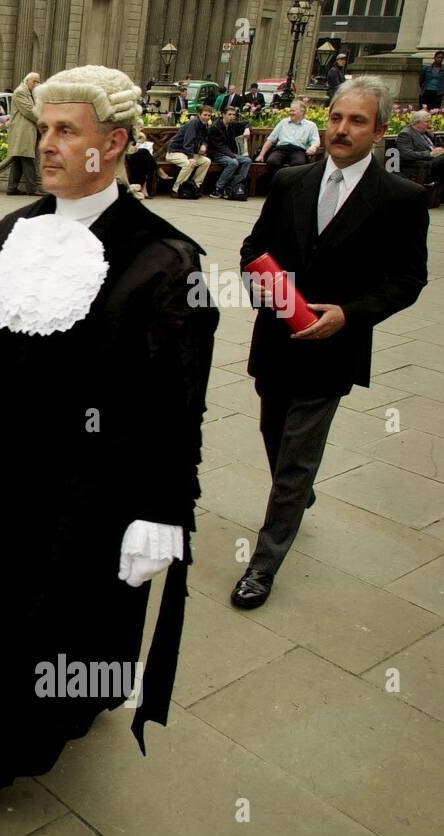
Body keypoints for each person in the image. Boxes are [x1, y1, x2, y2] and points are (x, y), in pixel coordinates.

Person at [0, 64, 218, 836]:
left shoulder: (167, 259)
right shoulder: (13, 232)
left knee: (66, 627)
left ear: (115, 143)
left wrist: (161, 512)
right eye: (44, 128)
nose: (48, 144)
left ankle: (67, 707)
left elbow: (180, 406)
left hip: (87, 496)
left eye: (67, 131)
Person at [233, 78, 429, 610]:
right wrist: (268, 292)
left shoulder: (402, 200)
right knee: (275, 434)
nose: (341, 129)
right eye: (337, 118)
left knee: (297, 455)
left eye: (357, 121)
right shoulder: (291, 181)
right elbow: (254, 249)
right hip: (276, 340)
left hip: (332, 349)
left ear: (381, 130)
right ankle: (298, 496)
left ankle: (263, 565)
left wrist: (350, 314)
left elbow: (408, 280)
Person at [255, 102, 320, 179]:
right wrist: (261, 155)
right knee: (272, 162)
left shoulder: (311, 125)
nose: (290, 113)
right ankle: (275, 184)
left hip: (298, 150)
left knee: (299, 164)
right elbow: (271, 139)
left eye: (293, 111)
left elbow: (316, 141)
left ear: (302, 112)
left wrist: (313, 147)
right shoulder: (283, 122)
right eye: (290, 110)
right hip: (281, 149)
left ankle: (288, 187)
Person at [5, 71, 44, 196]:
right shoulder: (20, 92)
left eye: (38, 81)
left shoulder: (29, 92)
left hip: (25, 131)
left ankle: (12, 188)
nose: (37, 84)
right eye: (34, 81)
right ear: (27, 80)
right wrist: (43, 120)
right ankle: (32, 189)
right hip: (22, 132)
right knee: (28, 160)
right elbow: (29, 111)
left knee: (18, 160)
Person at [167, 103, 214, 198]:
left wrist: (204, 145)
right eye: (205, 115)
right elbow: (187, 143)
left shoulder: (205, 126)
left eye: (209, 115)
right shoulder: (194, 123)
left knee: (206, 161)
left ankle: (194, 186)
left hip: (187, 153)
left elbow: (205, 139)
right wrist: (191, 157)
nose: (207, 117)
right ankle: (176, 189)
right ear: (199, 114)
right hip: (175, 152)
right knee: (189, 163)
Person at [208, 104, 252, 199]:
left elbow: (246, 123)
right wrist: (233, 155)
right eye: (229, 114)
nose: (232, 117)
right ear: (223, 114)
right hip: (217, 154)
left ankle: (231, 186)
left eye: (233, 115)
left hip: (229, 154)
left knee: (247, 161)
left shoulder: (233, 124)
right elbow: (219, 146)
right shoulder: (215, 127)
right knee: (233, 162)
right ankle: (217, 189)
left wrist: (247, 129)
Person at [395, 109, 444, 186]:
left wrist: (432, 136)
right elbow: (406, 154)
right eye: (427, 122)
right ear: (417, 122)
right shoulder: (405, 134)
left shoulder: (425, 132)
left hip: (434, 162)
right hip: (421, 166)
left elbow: (433, 146)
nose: (429, 124)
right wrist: (430, 154)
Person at [125, 130, 159, 199]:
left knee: (144, 159)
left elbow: (142, 138)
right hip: (124, 154)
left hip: (131, 154)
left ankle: (143, 187)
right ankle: (144, 187)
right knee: (145, 154)